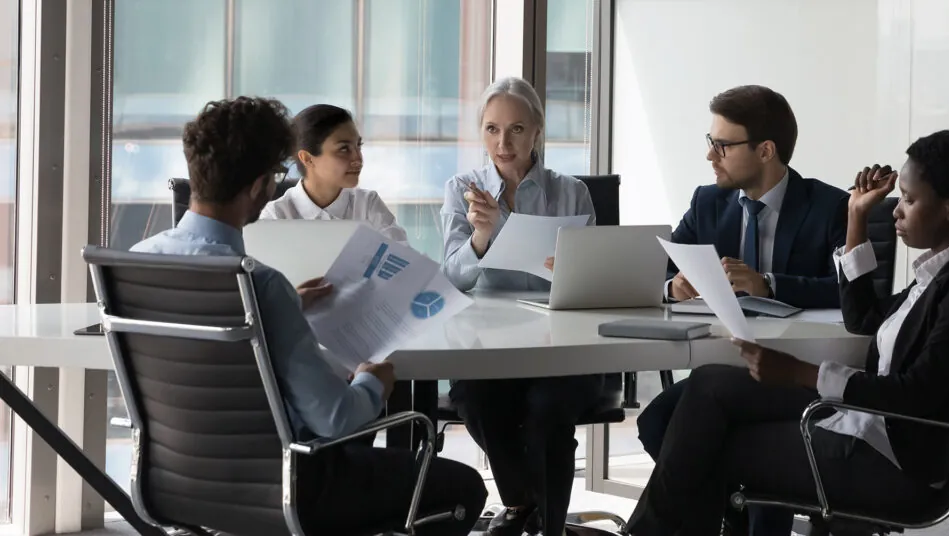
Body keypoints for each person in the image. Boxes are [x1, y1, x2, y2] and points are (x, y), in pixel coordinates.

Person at [625, 129, 949, 536]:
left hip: (894, 460)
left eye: (910, 200)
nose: (896, 210)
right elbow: (864, 318)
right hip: (870, 424)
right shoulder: (940, 271)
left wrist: (801, 374)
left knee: (703, 441)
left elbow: (915, 396)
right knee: (704, 388)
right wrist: (856, 216)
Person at [132, 96, 485, 536]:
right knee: (464, 487)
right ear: (263, 185)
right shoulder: (261, 284)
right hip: (288, 486)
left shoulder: (136, 263)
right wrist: (374, 380)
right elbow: (335, 418)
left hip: (171, 484)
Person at [638, 85, 849, 534]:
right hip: (724, 366)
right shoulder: (707, 202)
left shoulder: (830, 207)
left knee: (740, 433)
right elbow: (661, 268)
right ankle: (731, 515)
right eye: (709, 142)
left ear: (766, 150)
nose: (710, 156)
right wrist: (673, 287)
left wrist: (768, 285)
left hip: (798, 371)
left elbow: (846, 292)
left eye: (722, 145)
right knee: (656, 420)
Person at [440, 76, 601, 536]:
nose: (503, 142)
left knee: (549, 408)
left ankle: (542, 525)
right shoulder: (462, 188)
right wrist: (481, 237)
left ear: (537, 131)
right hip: (490, 341)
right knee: (474, 396)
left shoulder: (571, 192)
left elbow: (592, 279)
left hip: (561, 342)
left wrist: (564, 268)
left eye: (515, 129)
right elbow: (453, 275)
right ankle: (525, 504)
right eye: (491, 129)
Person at [260, 103, 408, 243]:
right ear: (307, 159)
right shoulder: (275, 216)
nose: (358, 158)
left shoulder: (367, 205)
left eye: (358, 146)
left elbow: (406, 263)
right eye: (344, 149)